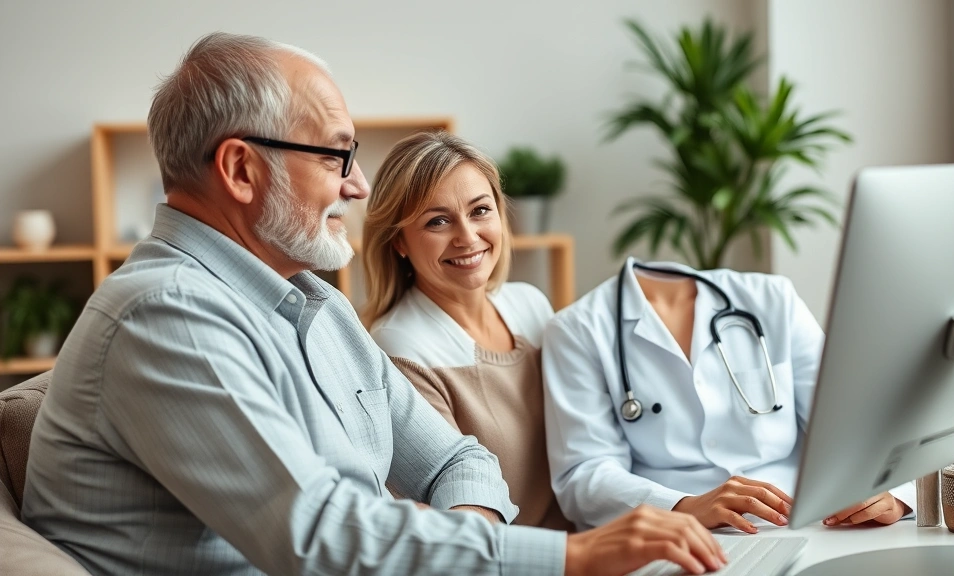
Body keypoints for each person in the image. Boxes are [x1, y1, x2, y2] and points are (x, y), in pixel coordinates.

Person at [21, 33, 726, 576]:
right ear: (240, 169)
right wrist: (571, 558)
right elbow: (317, 536)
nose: (359, 186)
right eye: (335, 156)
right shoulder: (166, 315)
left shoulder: (314, 309)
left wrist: (474, 552)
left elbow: (459, 461)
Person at [543, 257, 916, 533]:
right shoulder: (577, 329)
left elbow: (854, 419)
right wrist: (684, 506)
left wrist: (895, 492)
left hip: (808, 525)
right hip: (675, 534)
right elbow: (584, 473)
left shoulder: (772, 299)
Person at [363, 131, 573, 532]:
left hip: (587, 538)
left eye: (480, 211)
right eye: (438, 221)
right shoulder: (400, 346)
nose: (467, 237)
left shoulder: (530, 305)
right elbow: (453, 520)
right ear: (399, 242)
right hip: (513, 559)